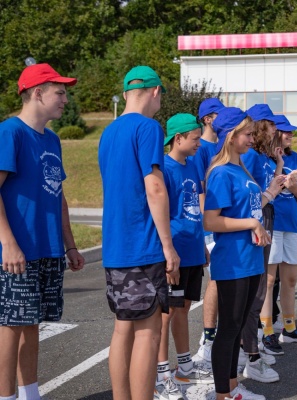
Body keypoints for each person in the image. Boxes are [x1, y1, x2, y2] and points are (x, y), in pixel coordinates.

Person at [0, 63, 85, 400]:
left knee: (33, 323)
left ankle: (30, 394)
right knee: (10, 326)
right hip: (17, 251)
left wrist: (70, 245)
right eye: (59, 92)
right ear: (37, 93)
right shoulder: (10, 132)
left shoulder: (52, 139)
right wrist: (8, 243)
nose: (65, 99)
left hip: (47, 248)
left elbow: (57, 195)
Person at [98, 65, 180, 400]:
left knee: (123, 329)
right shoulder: (148, 127)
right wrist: (168, 246)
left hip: (115, 245)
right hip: (143, 244)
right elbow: (155, 188)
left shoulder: (108, 132)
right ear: (155, 91)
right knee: (148, 333)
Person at [203, 107, 284, 400]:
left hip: (250, 260)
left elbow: (250, 206)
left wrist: (271, 191)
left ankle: (232, 388)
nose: (252, 138)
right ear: (230, 136)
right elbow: (211, 221)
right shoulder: (221, 172)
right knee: (228, 329)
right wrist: (252, 223)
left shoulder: (240, 170)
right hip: (233, 261)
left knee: (236, 328)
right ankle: (222, 394)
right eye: (247, 134)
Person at [156, 114, 212, 400]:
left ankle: (184, 366)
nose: (199, 144)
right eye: (195, 138)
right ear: (178, 138)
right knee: (165, 313)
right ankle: (161, 373)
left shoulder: (191, 165)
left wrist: (202, 243)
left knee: (184, 308)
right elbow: (160, 214)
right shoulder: (164, 168)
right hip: (175, 252)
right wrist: (168, 253)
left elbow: (194, 210)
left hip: (192, 249)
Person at [261, 114, 297, 348]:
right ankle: (266, 331)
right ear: (275, 133)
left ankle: (290, 328)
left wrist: (293, 187)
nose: (291, 135)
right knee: (269, 279)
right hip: (271, 223)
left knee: (291, 278)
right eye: (286, 131)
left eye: (292, 132)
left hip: (292, 223)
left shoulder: (296, 159)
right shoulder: (263, 157)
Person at [238, 104, 284, 381]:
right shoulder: (251, 157)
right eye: (272, 124)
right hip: (257, 218)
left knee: (258, 288)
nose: (275, 130)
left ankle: (251, 349)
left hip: (266, 215)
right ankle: (249, 353)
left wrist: (279, 165)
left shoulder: (263, 156)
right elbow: (251, 198)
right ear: (260, 125)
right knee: (253, 290)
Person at [191, 98, 225, 365]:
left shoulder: (223, 144)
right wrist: (208, 226)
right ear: (207, 119)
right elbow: (200, 190)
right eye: (218, 114)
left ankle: (225, 334)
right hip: (211, 224)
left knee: (227, 279)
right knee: (215, 279)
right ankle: (208, 337)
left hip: (226, 220)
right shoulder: (200, 148)